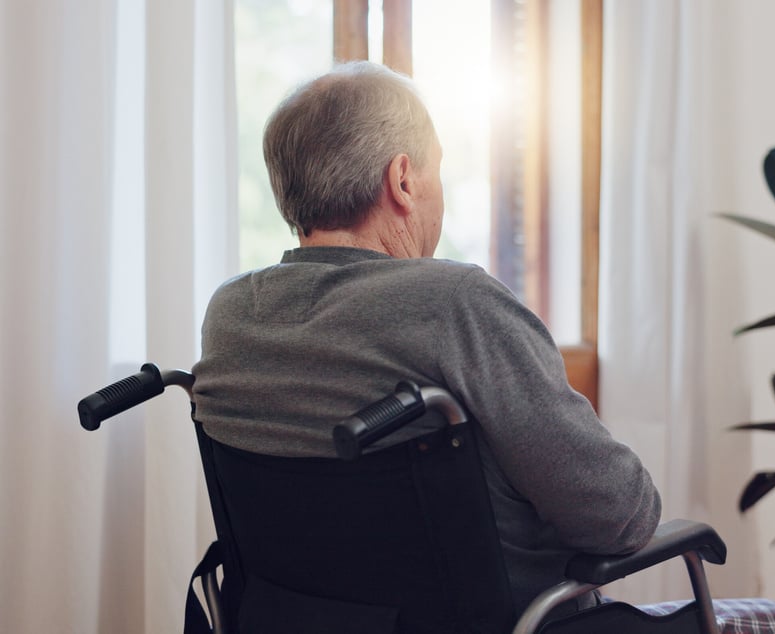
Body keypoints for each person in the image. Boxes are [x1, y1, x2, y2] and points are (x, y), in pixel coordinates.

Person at [191, 60, 661, 618]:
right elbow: (620, 516)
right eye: (436, 170)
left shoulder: (232, 313)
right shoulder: (455, 304)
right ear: (404, 180)